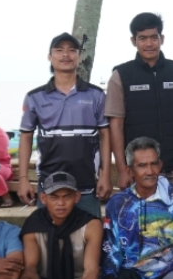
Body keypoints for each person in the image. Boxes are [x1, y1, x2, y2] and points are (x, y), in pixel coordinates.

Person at [18, 33, 111, 217]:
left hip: (86, 187)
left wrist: (105, 175)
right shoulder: (34, 97)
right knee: (47, 235)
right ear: (50, 56)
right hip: (49, 188)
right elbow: (26, 137)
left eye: (71, 50)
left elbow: (105, 136)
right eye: (59, 50)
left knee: (91, 233)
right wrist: (23, 178)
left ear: (79, 56)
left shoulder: (96, 95)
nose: (66, 55)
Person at [105, 13, 173, 190]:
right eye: (142, 38)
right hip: (137, 172)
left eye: (154, 37)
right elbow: (116, 125)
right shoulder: (121, 75)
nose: (149, 43)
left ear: (162, 38)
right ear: (133, 41)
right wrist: (123, 170)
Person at [99, 137, 173, 279]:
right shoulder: (118, 204)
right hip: (132, 274)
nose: (150, 172)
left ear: (160, 165)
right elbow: (111, 247)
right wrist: (108, 278)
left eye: (154, 164)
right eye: (142, 166)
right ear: (129, 171)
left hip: (172, 273)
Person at [18, 171, 104, 279]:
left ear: (77, 197)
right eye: (54, 197)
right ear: (43, 198)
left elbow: (91, 271)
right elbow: (31, 268)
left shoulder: (91, 224)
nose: (61, 203)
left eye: (67, 197)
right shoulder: (33, 224)